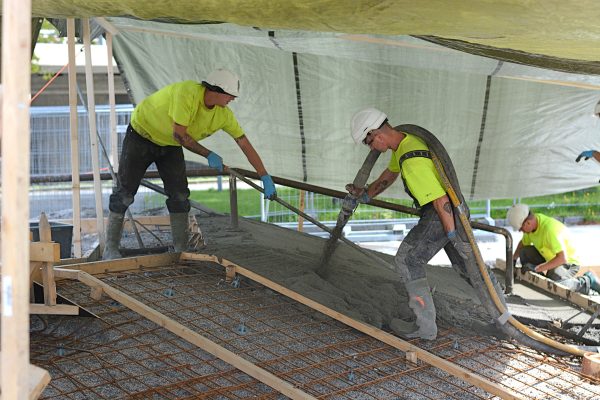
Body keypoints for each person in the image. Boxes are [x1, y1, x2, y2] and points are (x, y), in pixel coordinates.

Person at [104, 69, 277, 260]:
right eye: (231, 95)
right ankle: (110, 249)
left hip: (169, 144)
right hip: (141, 134)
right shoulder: (187, 93)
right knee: (125, 193)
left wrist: (264, 176)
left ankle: (181, 248)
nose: (233, 100)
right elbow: (180, 134)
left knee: (179, 195)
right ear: (217, 91)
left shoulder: (224, 115)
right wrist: (208, 154)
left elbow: (243, 142)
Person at [346, 107, 471, 340]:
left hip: (440, 214)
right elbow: (388, 176)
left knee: (408, 259)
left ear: (377, 134)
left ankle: (425, 329)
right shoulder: (405, 143)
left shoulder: (413, 163)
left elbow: (440, 201)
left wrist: (454, 235)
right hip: (447, 212)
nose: (371, 148)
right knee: (467, 267)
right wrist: (365, 194)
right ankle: (501, 310)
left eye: (368, 142)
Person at [506, 203, 599, 295]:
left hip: (568, 262)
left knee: (554, 281)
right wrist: (513, 260)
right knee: (524, 252)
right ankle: (541, 285)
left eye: (521, 229)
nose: (521, 231)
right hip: (551, 257)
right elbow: (522, 243)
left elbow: (562, 258)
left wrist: (537, 268)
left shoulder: (549, 229)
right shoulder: (532, 227)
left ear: (528, 223)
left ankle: (587, 281)